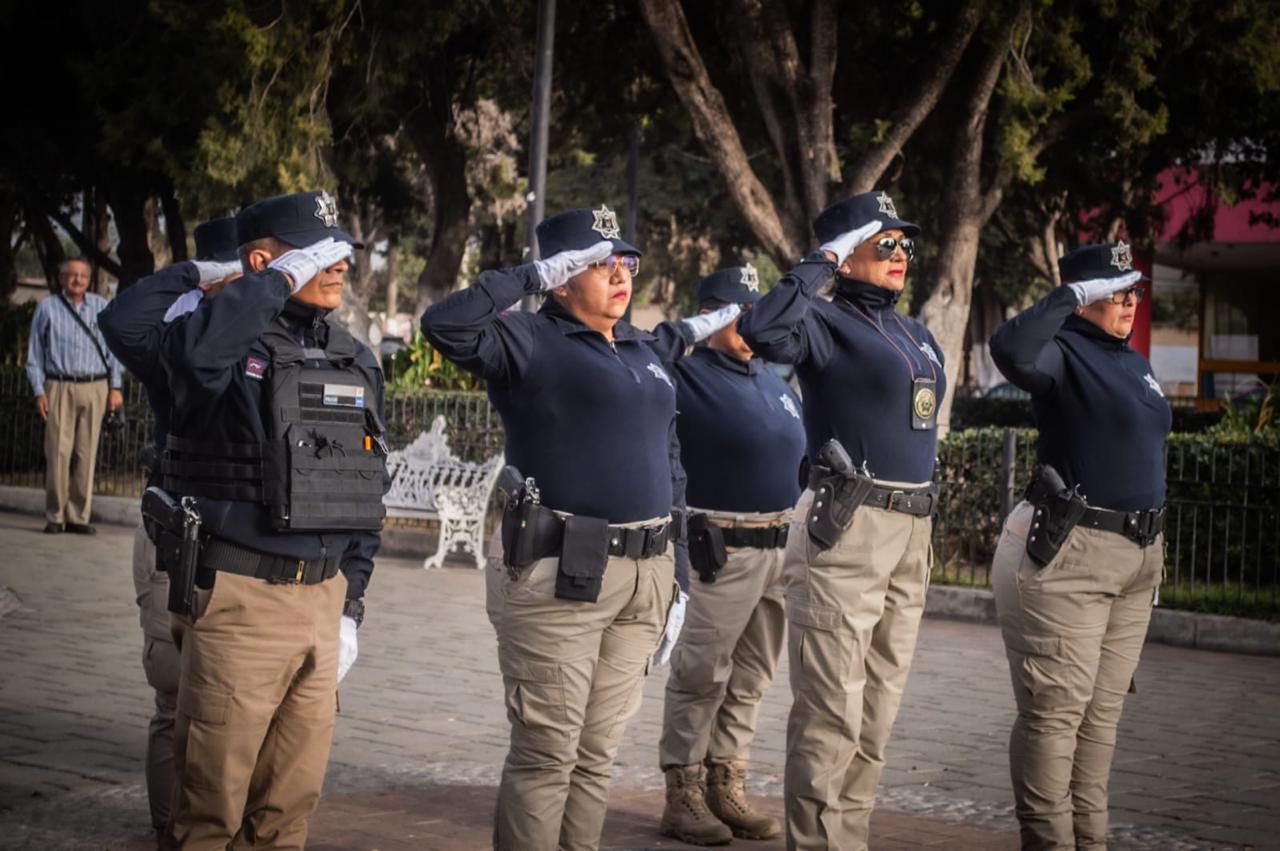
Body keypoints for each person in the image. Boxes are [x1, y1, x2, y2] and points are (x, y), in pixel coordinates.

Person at [422, 205, 708, 851]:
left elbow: (672, 464)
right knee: (547, 753)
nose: (618, 274)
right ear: (561, 277)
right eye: (598, 263)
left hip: (646, 573)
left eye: (625, 261)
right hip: (560, 572)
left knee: (597, 753)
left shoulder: (640, 347)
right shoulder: (525, 340)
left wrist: (679, 580)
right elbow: (444, 324)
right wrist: (525, 275)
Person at [154, 191, 385, 850]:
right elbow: (191, 359)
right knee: (208, 814)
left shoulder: (354, 357)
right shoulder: (219, 347)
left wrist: (351, 604)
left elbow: (369, 485)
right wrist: (270, 283)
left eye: (342, 252)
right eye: (318, 254)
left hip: (322, 599)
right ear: (263, 261)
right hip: (242, 602)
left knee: (287, 814)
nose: (339, 265)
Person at [738, 190, 945, 851]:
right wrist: (820, 260)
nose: (900, 254)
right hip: (849, 528)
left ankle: (847, 840)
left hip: (912, 532)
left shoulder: (916, 331)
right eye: (884, 242)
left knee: (877, 716)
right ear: (845, 251)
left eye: (905, 244)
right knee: (833, 712)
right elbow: (762, 330)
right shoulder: (823, 321)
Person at [988, 242, 1170, 850]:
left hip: (1138, 560)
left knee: (1100, 722)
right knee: (1054, 718)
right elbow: (1008, 349)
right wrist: (1069, 297)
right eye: (1116, 291)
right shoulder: (1060, 351)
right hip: (1072, 557)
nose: (1130, 302)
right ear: (1085, 296)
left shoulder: (1132, 359)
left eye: (1134, 291)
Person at [99, 216, 242, 845]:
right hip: (172, 539)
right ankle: (168, 833)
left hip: (239, 546)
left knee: (232, 709)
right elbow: (120, 320)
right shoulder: (174, 342)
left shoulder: (261, 345)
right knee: (174, 699)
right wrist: (199, 272)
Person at [658, 265, 806, 846]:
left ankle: (727, 782)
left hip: (777, 550)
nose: (749, 324)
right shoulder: (683, 376)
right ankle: (684, 793)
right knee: (700, 675)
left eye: (755, 312)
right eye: (735, 313)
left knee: (751, 679)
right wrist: (691, 331)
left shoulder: (775, 381)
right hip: (719, 551)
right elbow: (646, 348)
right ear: (710, 314)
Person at [25, 258, 124, 534]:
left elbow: (114, 350)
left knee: (86, 452)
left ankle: (79, 516)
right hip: (58, 385)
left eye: (83, 276)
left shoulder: (101, 307)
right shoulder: (47, 308)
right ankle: (55, 515)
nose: (78, 280)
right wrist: (38, 391)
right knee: (57, 450)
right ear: (61, 278)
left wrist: (116, 387)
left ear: (89, 280)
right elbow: (34, 355)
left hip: (95, 386)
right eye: (72, 275)